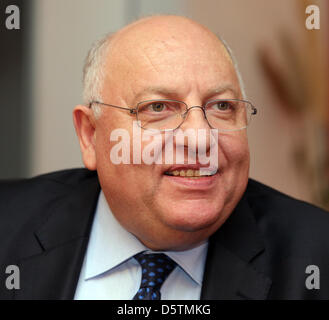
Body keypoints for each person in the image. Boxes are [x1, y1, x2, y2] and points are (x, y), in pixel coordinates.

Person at [1, 15, 329, 300]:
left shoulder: (316, 256)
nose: (200, 138)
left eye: (222, 107)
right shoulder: (9, 226)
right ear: (91, 134)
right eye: (158, 108)